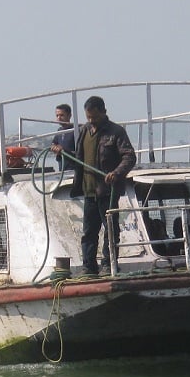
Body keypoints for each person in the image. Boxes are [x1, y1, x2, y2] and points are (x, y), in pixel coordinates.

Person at [70, 96, 137, 275]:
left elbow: (129, 156)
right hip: (88, 190)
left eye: (95, 117)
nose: (91, 121)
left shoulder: (116, 132)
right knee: (89, 231)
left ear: (103, 112)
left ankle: (108, 264)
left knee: (110, 229)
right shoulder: (85, 130)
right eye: (89, 117)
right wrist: (61, 153)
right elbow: (78, 157)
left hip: (107, 190)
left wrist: (116, 173)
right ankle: (88, 266)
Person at [49, 103, 75, 170]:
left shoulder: (76, 130)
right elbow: (54, 143)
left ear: (69, 115)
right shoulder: (59, 131)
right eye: (57, 115)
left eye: (61, 115)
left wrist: (63, 150)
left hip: (73, 168)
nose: (59, 118)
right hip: (62, 169)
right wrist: (54, 146)